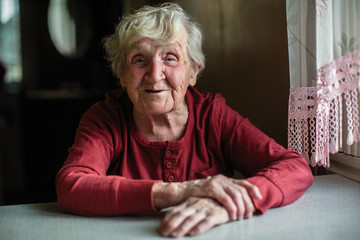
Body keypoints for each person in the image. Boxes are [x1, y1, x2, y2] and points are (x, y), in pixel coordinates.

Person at [56, 3, 313, 238]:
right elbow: (72, 185)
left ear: (193, 71)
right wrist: (180, 191)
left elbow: (294, 168)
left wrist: (225, 203)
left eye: (170, 58)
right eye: (139, 60)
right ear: (122, 74)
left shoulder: (213, 115)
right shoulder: (105, 119)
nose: (155, 75)